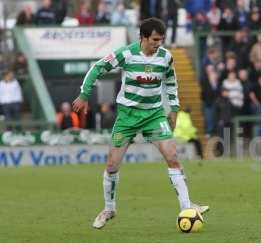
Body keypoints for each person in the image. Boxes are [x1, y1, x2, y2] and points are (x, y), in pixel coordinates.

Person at [72, 18, 209, 229]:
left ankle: (187, 207)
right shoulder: (126, 54)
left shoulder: (165, 57)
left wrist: (173, 108)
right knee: (112, 165)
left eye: (161, 40)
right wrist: (84, 94)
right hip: (127, 116)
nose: (158, 44)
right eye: (155, 39)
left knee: (172, 157)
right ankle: (109, 208)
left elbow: (171, 82)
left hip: (154, 114)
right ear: (143, 37)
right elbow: (97, 68)